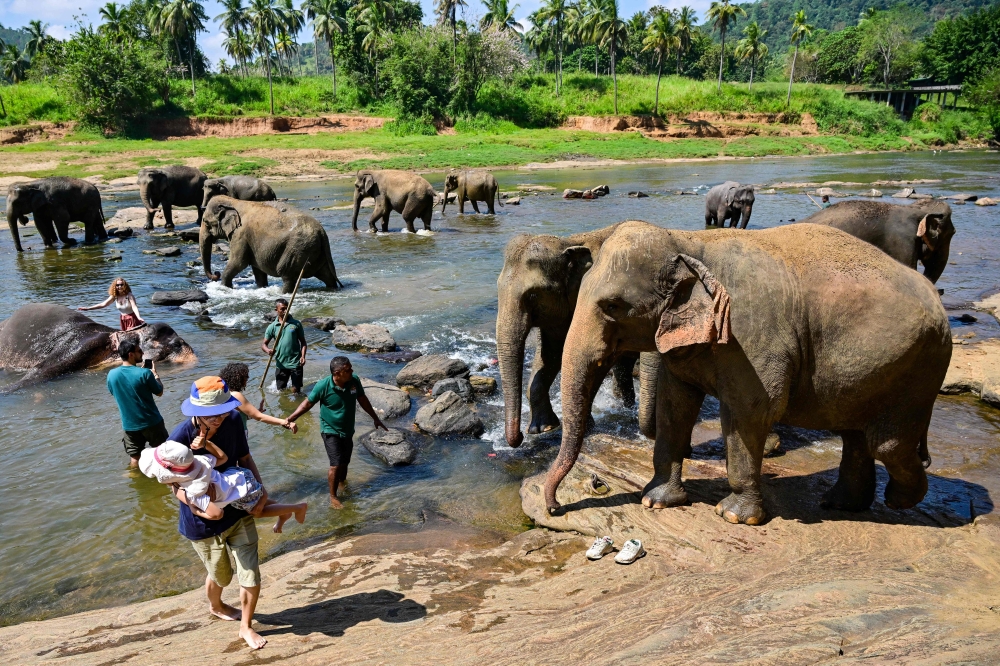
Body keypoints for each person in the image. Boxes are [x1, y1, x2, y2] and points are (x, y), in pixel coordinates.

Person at [168, 376, 269, 650]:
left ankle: (245, 627)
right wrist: (198, 505)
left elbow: (245, 458)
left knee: (250, 572)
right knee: (222, 576)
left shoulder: (234, 420)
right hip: (203, 521)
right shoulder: (179, 439)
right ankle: (216, 605)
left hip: (238, 509)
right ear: (196, 412)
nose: (218, 419)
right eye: (210, 415)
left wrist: (260, 489)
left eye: (222, 412)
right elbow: (171, 485)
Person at [139, 439, 307, 534]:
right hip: (239, 476)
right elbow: (222, 458)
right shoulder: (200, 464)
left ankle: (295, 508)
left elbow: (217, 514)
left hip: (243, 492)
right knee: (255, 498)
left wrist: (193, 508)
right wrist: (208, 444)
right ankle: (284, 514)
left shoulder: (194, 492)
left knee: (257, 511)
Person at [287, 356, 387, 509]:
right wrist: (290, 418)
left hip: (347, 429)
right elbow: (307, 403)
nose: (352, 371)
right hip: (329, 429)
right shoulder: (323, 386)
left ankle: (342, 484)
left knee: (345, 462)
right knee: (335, 464)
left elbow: (362, 398)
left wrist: (375, 418)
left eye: (351, 368)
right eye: (348, 370)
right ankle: (333, 497)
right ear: (337, 373)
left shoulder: (353, 381)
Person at [107, 337, 167, 467]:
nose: (143, 353)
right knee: (162, 454)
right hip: (152, 422)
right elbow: (159, 392)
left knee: (135, 458)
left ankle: (136, 482)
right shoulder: (145, 373)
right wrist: (155, 375)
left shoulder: (111, 374)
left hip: (129, 425)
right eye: (140, 351)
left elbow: (115, 392)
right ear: (131, 354)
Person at [218, 362, 298, 435]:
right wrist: (285, 422)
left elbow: (235, 418)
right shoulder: (236, 395)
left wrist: (252, 414)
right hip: (237, 437)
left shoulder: (225, 394)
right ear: (239, 378)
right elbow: (259, 417)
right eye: (246, 376)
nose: (247, 379)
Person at [261, 299, 307, 393]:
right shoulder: (272, 327)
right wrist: (268, 350)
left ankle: (296, 405)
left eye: (287, 308)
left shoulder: (296, 324)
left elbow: (303, 342)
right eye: (282, 309)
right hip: (281, 363)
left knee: (296, 391)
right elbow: (264, 344)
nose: (285, 311)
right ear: (276, 310)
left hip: (295, 362)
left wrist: (303, 356)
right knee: (281, 391)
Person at [79, 277, 145, 331]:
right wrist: (88, 308)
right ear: (115, 286)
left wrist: (139, 317)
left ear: (125, 286)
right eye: (117, 285)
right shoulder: (115, 296)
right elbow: (103, 304)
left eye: (121, 285)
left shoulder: (129, 295)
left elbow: (134, 307)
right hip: (123, 319)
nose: (119, 286)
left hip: (132, 318)